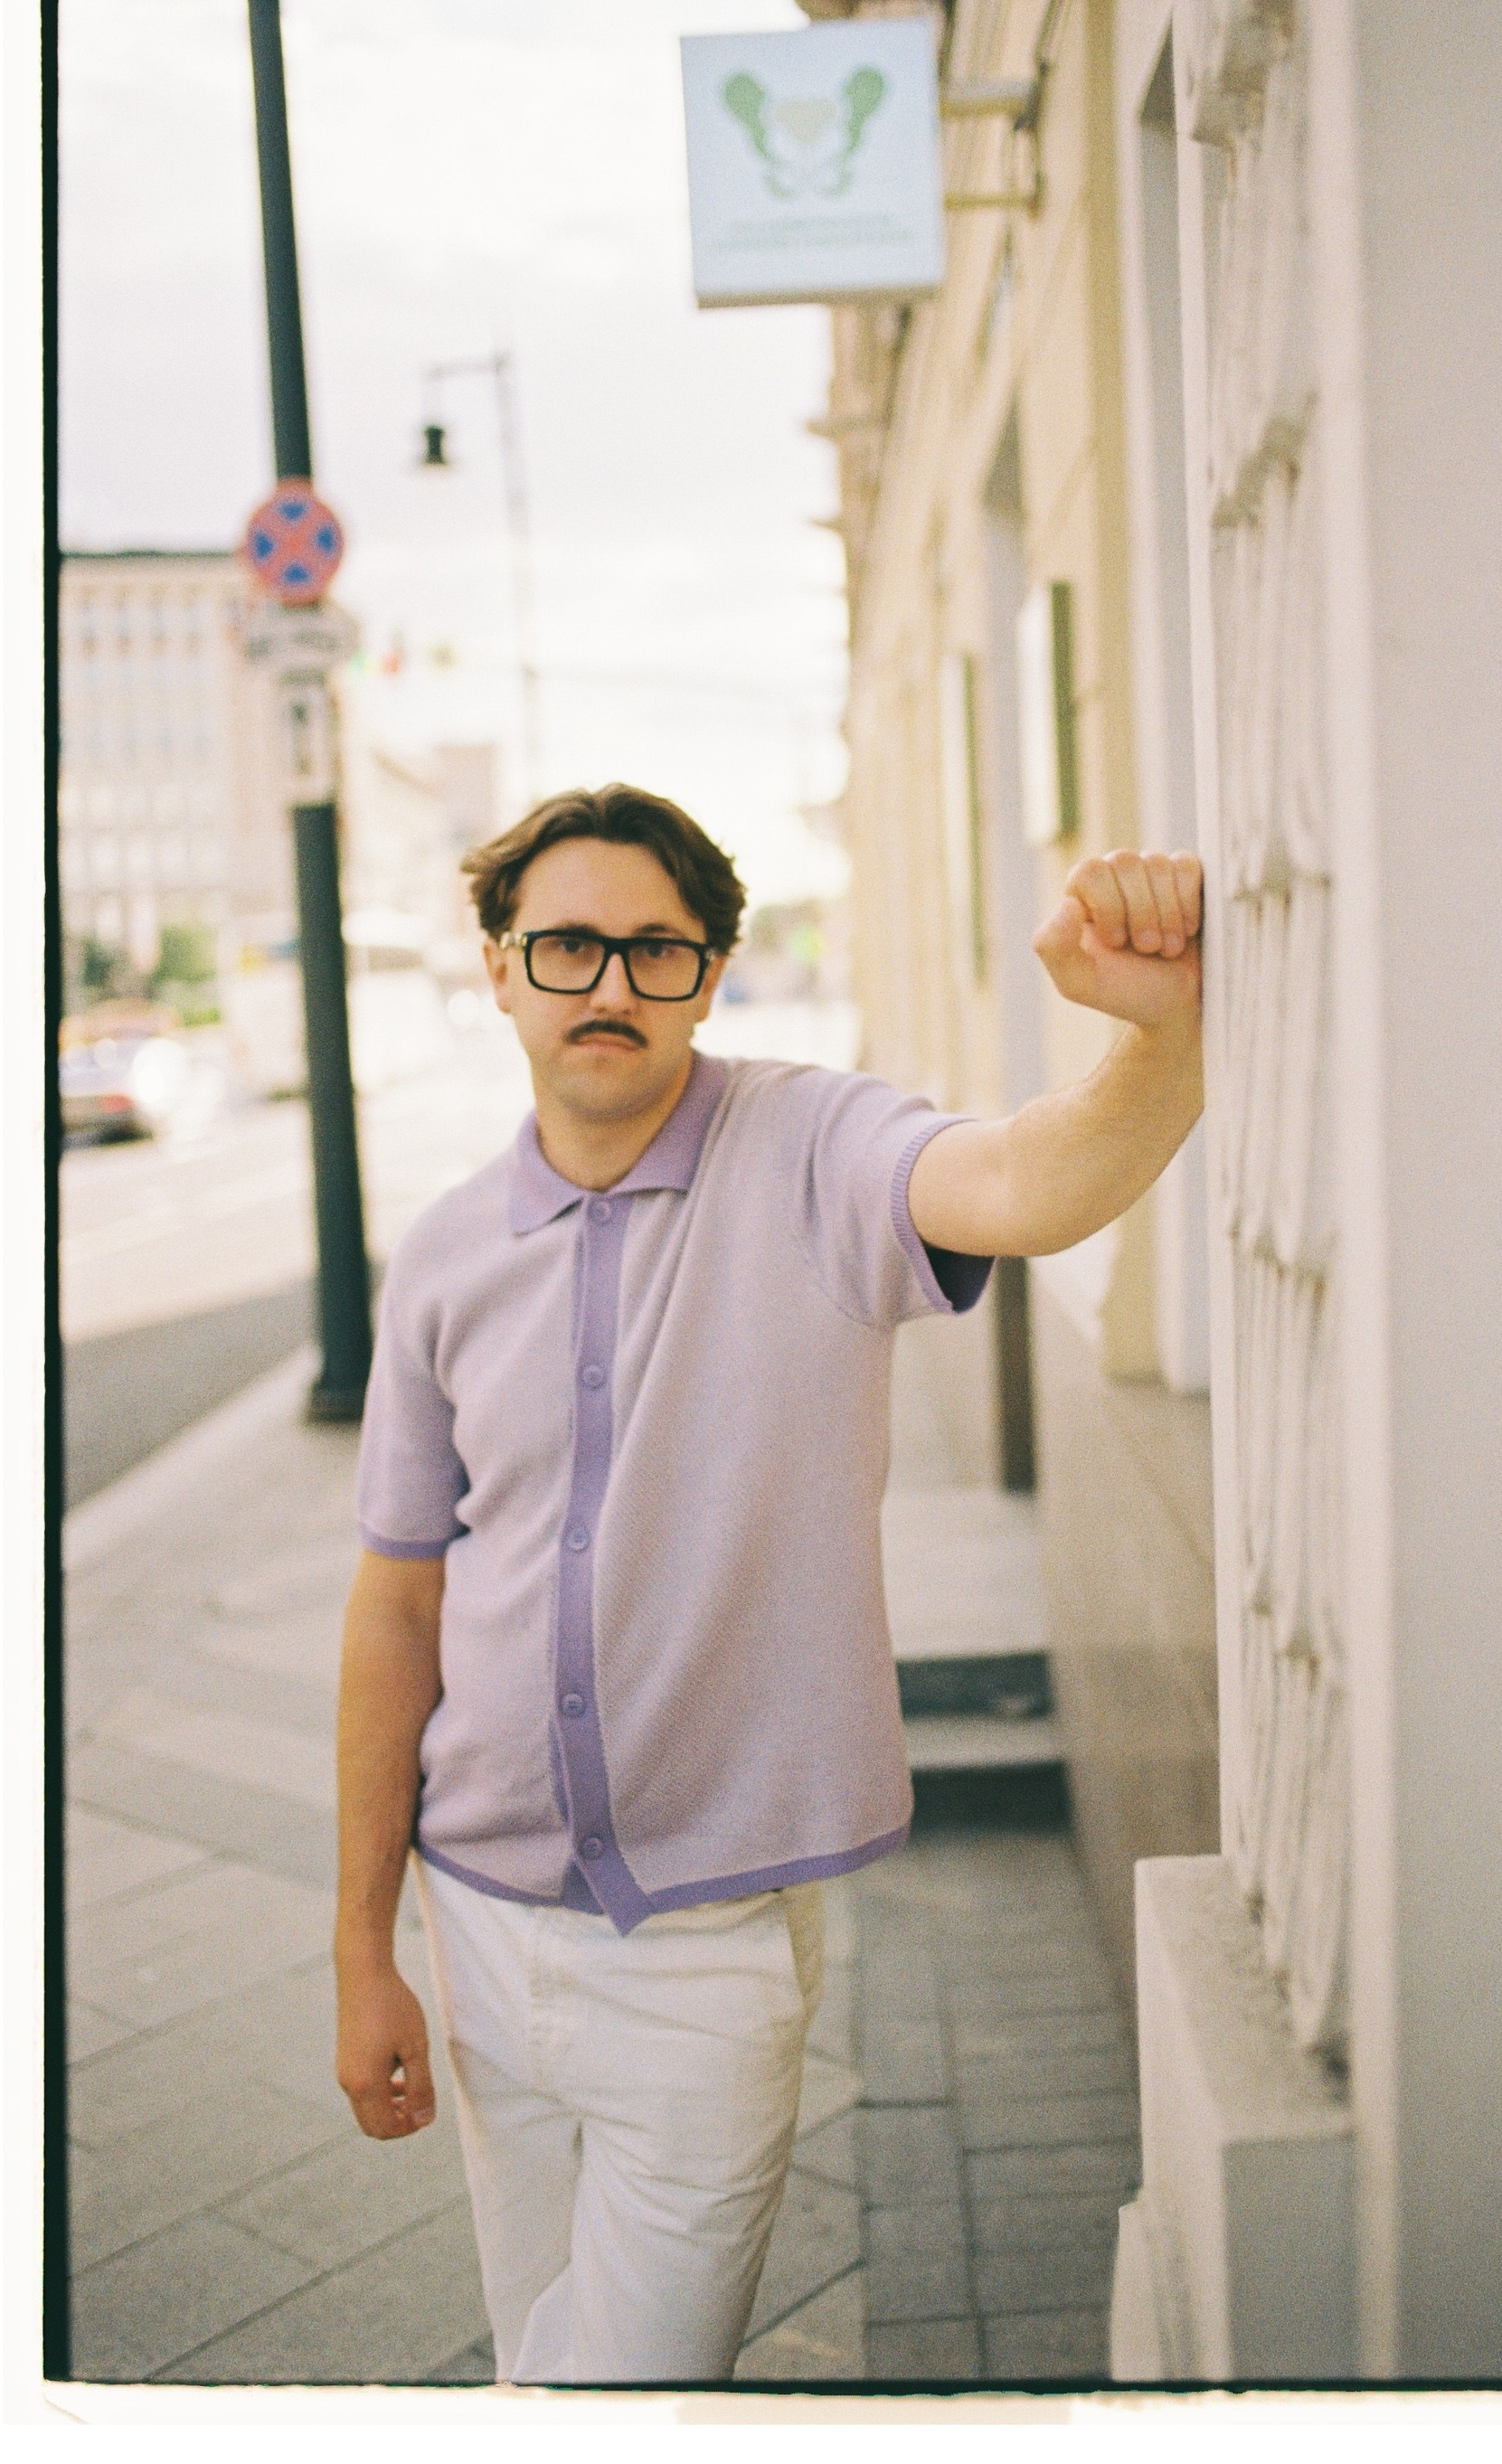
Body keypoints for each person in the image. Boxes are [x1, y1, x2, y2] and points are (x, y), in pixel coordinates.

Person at [333, 781, 1204, 2387]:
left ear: (712, 975)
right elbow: (399, 1603)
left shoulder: (813, 1147)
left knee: (627, 2396)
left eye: (655, 950)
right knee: (538, 2364)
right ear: (500, 966)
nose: (610, 984)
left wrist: (1156, 1033)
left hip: (702, 1952)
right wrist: (361, 1950)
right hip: (477, 1927)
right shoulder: (446, 1251)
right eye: (569, 945)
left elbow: (1028, 1184)